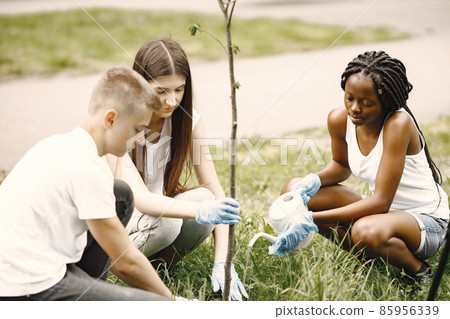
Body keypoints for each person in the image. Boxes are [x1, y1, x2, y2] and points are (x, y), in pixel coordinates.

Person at [271, 51, 449, 287]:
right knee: (293, 190)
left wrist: (311, 219)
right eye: (349, 98)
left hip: (425, 221)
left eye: (366, 103)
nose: (354, 108)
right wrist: (312, 180)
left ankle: (419, 272)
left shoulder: (398, 124)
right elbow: (341, 166)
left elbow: (380, 203)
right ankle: (368, 258)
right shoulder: (339, 119)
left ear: (387, 101)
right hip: (383, 215)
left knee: (365, 231)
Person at [0, 66, 174, 300]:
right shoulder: (87, 168)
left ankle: (88, 288)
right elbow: (127, 263)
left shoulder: (59, 144)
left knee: (119, 194)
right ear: (110, 119)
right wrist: (173, 303)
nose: (141, 139)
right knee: (155, 304)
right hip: (24, 289)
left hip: (26, 265)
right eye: (137, 129)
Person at [105, 38, 248, 301]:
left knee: (205, 199)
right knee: (175, 220)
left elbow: (213, 189)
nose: (171, 101)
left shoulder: (188, 120)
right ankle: (119, 270)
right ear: (139, 85)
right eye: (160, 91)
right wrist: (202, 211)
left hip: (153, 224)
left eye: (179, 89)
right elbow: (143, 200)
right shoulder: (121, 123)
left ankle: (156, 272)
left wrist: (223, 263)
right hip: (113, 232)